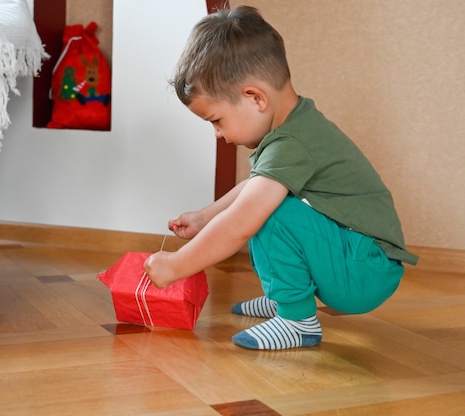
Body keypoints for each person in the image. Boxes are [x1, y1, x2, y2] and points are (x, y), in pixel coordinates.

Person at [143, 5, 418, 350]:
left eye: (216, 120)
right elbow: (250, 189)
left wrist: (176, 266)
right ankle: (287, 298)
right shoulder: (293, 127)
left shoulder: (293, 142)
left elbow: (242, 220)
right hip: (357, 258)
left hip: (366, 270)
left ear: (255, 98)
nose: (216, 133)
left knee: (265, 212)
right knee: (263, 201)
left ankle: (297, 320)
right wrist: (203, 217)